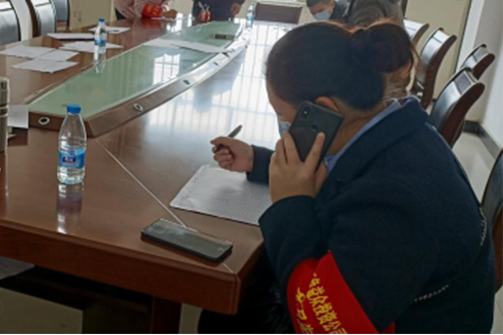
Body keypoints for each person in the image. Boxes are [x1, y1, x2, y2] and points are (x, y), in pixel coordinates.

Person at [204, 22, 495, 333]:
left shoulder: (394, 198)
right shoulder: (393, 130)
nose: (284, 127)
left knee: (225, 316)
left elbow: (324, 322)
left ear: (323, 111)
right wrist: (258, 160)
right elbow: (338, 172)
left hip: (388, 322)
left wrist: (290, 204)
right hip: (383, 301)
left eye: (284, 117)